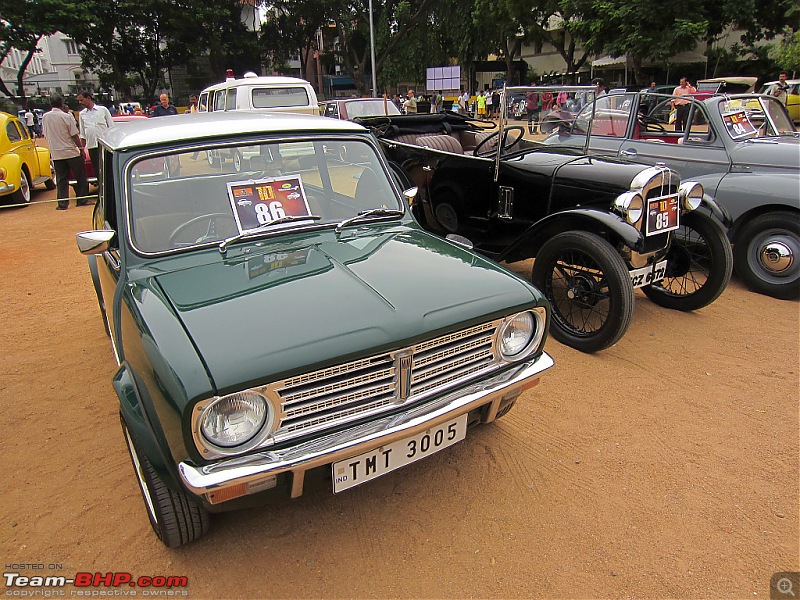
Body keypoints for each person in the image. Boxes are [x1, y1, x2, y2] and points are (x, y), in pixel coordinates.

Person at [41, 94, 89, 210]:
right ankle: (81, 200)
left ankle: (62, 203)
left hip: (56, 153)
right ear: (62, 104)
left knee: (61, 179)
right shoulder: (66, 116)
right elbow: (74, 135)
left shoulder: (45, 117)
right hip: (70, 151)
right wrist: (81, 149)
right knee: (80, 175)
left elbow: (45, 133)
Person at [76, 90, 114, 177]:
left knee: (108, 168)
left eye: (82, 100)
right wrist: (82, 149)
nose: (80, 102)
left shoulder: (103, 110)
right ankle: (101, 189)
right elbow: (83, 134)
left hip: (105, 145)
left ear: (88, 98)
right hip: (92, 146)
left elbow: (111, 127)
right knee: (97, 170)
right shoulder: (82, 114)